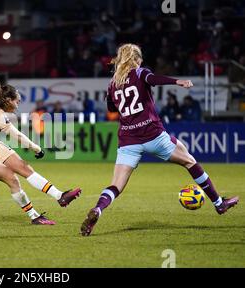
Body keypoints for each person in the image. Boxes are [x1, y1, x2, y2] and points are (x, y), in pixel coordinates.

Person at [80, 43, 239, 236]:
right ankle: (219, 204)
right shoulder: (140, 73)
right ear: (136, 60)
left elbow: (112, 109)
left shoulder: (113, 82)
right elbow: (153, 79)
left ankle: (98, 209)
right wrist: (177, 82)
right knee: (190, 161)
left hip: (128, 140)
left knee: (116, 186)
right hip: (153, 135)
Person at [0, 80, 82, 225]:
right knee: (11, 178)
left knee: (24, 167)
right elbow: (17, 135)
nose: (17, 105)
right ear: (7, 100)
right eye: (16, 102)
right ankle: (34, 216)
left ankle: (59, 195)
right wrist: (36, 148)